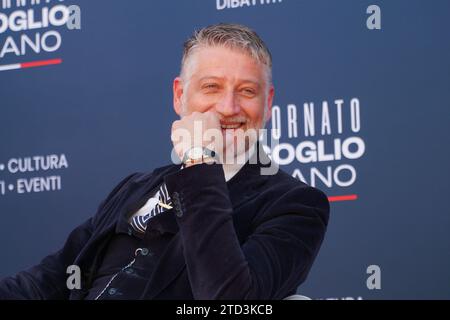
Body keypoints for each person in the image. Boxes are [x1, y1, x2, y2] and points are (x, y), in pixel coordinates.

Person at [0, 23, 329, 300]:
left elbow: (230, 299)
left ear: (268, 103)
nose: (229, 107)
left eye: (246, 91)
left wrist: (201, 161)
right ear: (179, 96)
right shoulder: (134, 187)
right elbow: (46, 281)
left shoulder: (295, 204)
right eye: (211, 87)